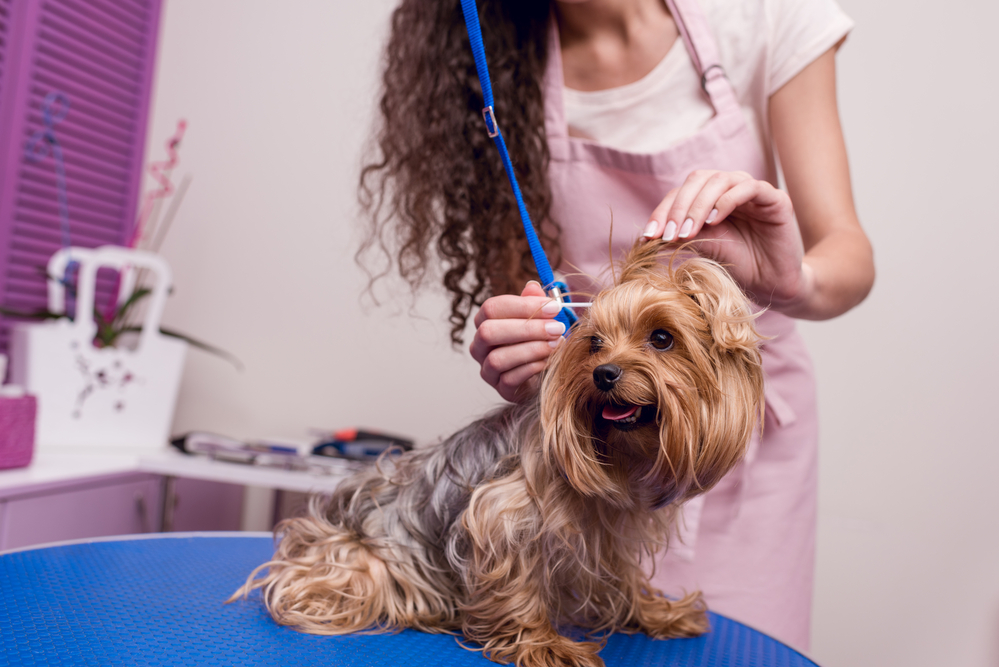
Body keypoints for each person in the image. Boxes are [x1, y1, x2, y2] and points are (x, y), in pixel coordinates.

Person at [359, 0, 874, 651]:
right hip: (593, 461)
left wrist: (787, 279)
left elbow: (849, 255)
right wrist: (519, 348)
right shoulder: (490, 67)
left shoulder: (763, 17)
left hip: (744, 453)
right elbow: (528, 291)